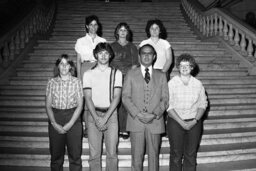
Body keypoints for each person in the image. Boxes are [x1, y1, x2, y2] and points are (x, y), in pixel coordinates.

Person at [122, 44, 169, 171]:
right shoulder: (131, 74)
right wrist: (138, 113)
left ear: (154, 57)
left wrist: (154, 114)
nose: (147, 56)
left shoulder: (162, 75)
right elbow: (125, 97)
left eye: (150, 53)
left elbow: (165, 99)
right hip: (136, 121)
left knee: (154, 158)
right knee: (136, 158)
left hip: (155, 121)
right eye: (144, 53)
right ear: (139, 56)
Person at [83, 42, 122, 171]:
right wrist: (96, 118)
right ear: (96, 55)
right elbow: (88, 97)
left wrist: (105, 118)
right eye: (100, 53)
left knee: (112, 153)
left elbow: (117, 97)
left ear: (110, 55)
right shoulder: (88, 74)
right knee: (94, 154)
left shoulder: (116, 73)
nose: (103, 56)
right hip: (93, 115)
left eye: (106, 53)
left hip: (111, 115)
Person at [167, 53, 208, 171]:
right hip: (175, 121)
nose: (184, 68)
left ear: (192, 67)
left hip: (194, 122)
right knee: (176, 154)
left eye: (187, 65)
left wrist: (195, 121)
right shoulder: (172, 83)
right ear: (178, 67)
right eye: (181, 65)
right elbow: (168, 105)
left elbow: (202, 103)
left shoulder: (198, 84)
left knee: (190, 154)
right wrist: (181, 122)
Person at [46, 54, 83, 171]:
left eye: (67, 64)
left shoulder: (77, 82)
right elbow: (48, 106)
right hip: (56, 117)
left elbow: (80, 105)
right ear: (58, 66)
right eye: (61, 64)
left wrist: (70, 123)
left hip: (74, 118)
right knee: (56, 156)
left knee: (75, 156)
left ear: (71, 67)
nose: (64, 67)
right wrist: (54, 123)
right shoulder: (51, 82)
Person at [75, 15, 106, 137]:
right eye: (91, 24)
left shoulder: (102, 41)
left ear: (98, 26)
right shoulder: (80, 41)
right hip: (85, 68)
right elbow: (78, 60)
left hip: (99, 68)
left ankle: (98, 124)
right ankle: (87, 127)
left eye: (95, 24)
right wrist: (78, 76)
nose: (93, 27)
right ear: (87, 26)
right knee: (86, 100)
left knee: (97, 99)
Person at [110, 22, 139, 139]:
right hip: (114, 77)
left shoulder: (132, 46)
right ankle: (115, 127)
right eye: (120, 30)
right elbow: (108, 62)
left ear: (127, 32)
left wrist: (128, 75)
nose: (122, 32)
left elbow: (135, 64)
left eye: (125, 30)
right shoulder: (111, 46)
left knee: (126, 102)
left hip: (128, 77)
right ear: (117, 32)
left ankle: (125, 128)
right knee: (116, 102)